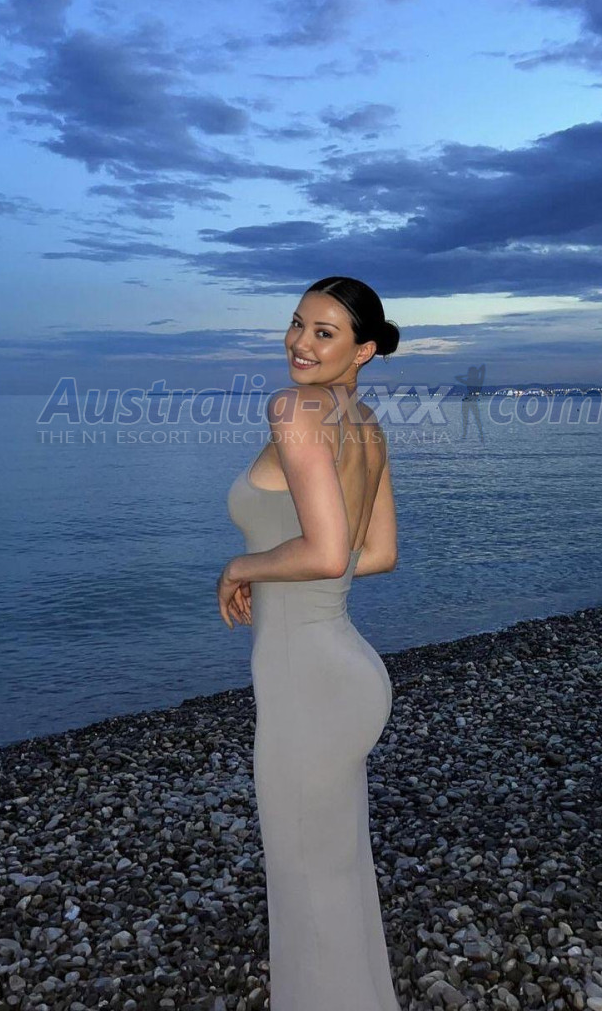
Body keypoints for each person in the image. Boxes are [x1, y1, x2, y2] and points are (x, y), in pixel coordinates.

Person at [220, 275, 402, 1010]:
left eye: (324, 332)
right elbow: (375, 554)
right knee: (337, 880)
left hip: (307, 686)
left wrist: (242, 567)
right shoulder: (366, 423)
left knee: (308, 890)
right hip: (347, 674)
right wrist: (279, 567)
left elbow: (327, 554)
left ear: (362, 350)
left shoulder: (294, 410)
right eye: (297, 323)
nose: (299, 342)